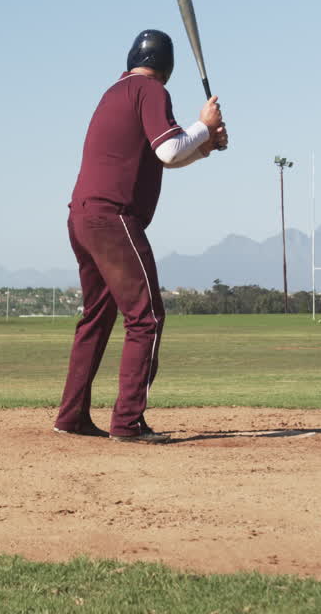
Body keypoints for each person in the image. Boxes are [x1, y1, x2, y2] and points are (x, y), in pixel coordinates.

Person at [54, 29, 228, 444]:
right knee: (146, 317)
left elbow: (162, 156)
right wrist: (203, 126)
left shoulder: (116, 91)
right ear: (167, 67)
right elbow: (169, 150)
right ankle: (127, 422)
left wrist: (203, 144)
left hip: (83, 216)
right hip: (113, 218)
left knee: (97, 318)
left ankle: (72, 415)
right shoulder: (151, 90)